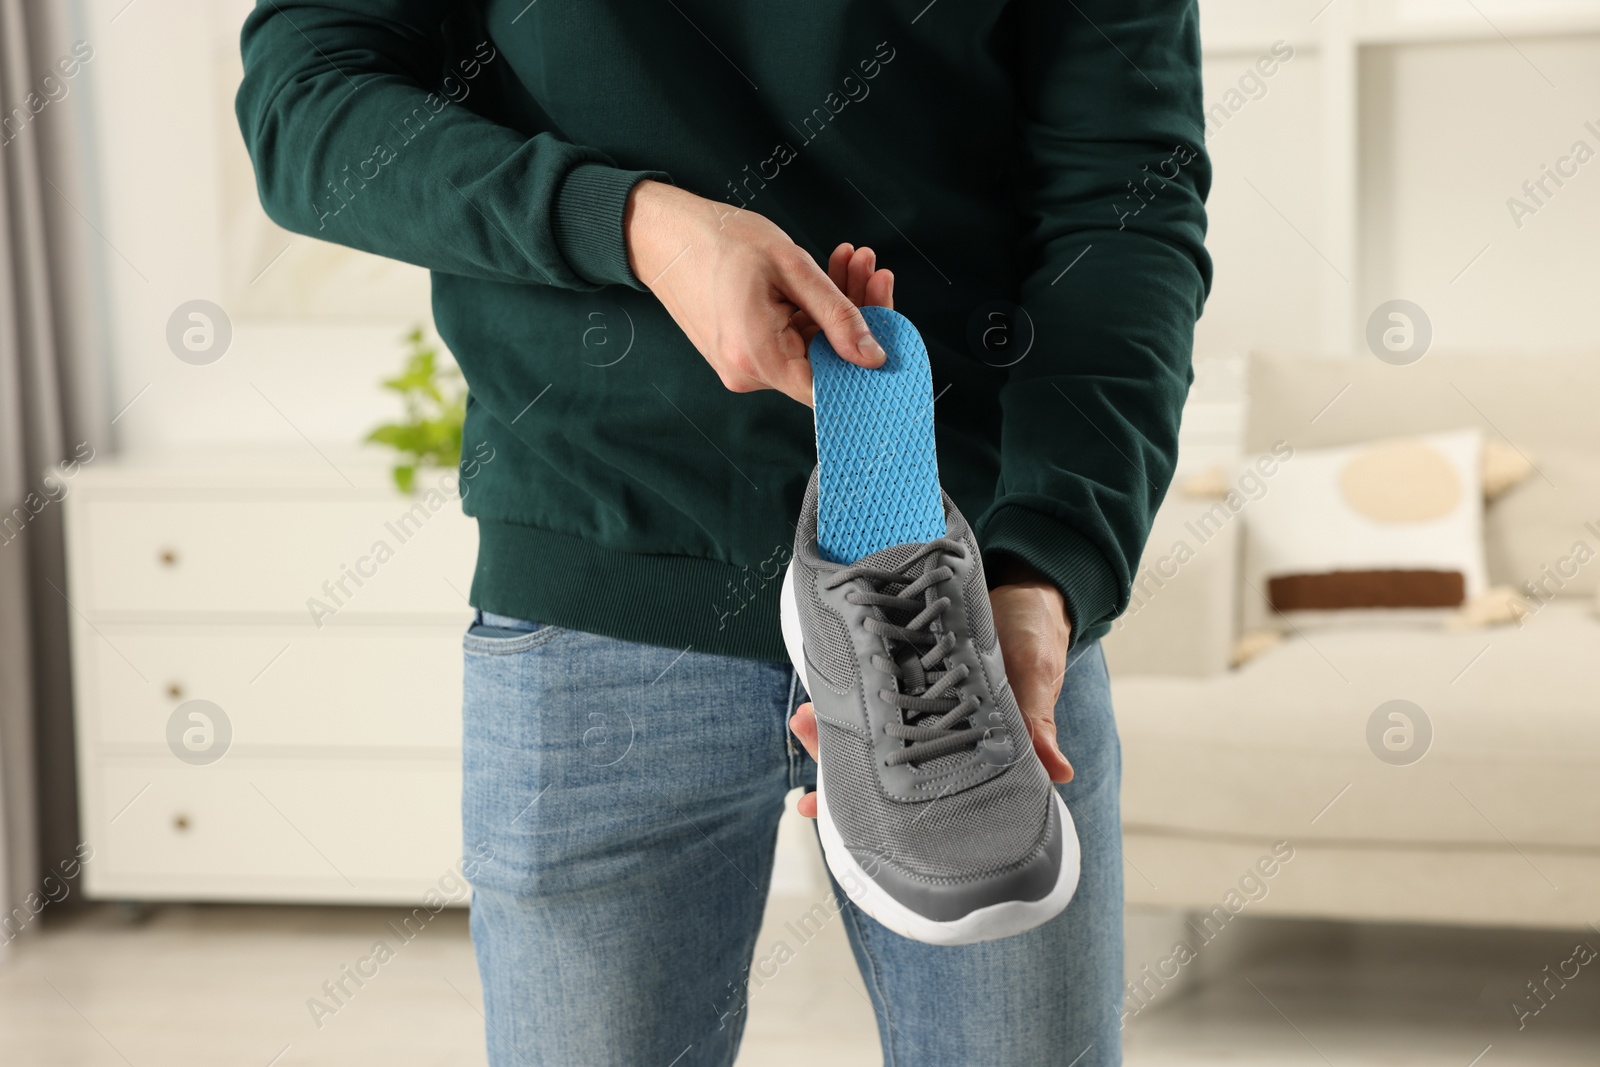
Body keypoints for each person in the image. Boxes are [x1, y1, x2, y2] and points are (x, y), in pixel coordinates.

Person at [238, 2, 1210, 1063]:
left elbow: (1124, 200)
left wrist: (1047, 568)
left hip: (962, 611)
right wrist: (642, 224)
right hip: (601, 583)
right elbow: (307, 107)